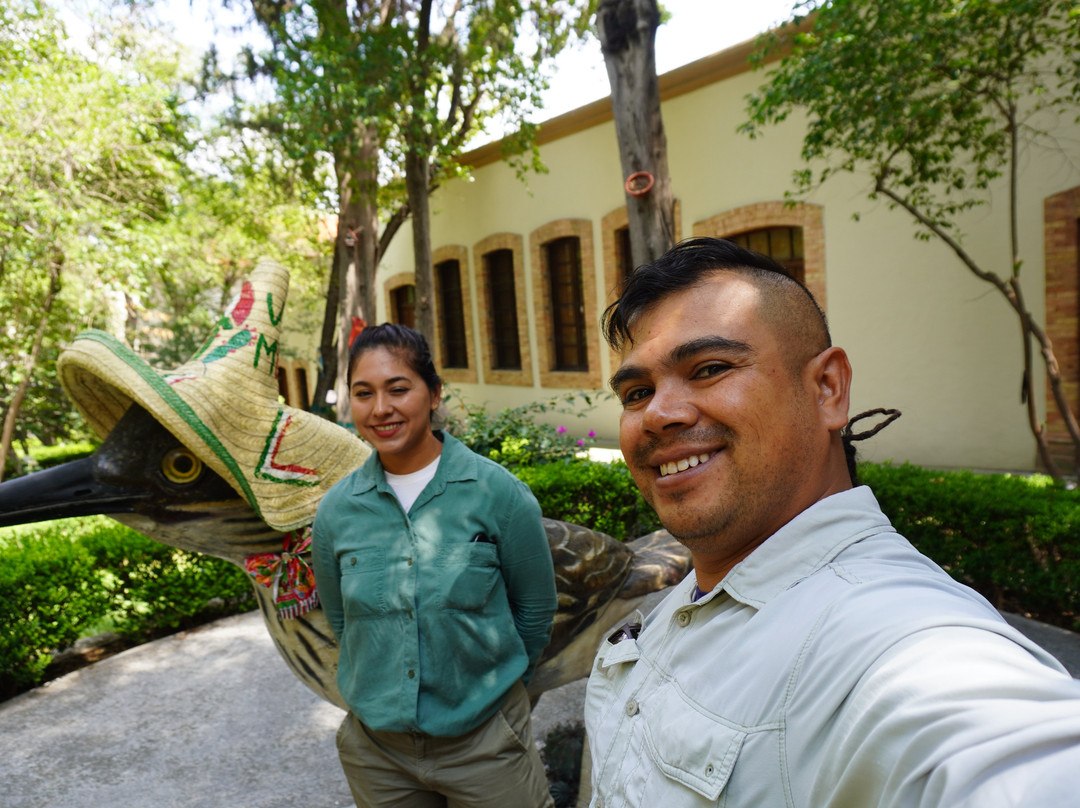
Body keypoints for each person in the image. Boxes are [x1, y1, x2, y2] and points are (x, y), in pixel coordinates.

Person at [583, 237, 1080, 807]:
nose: (658, 415)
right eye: (637, 391)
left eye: (710, 368)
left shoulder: (896, 633)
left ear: (827, 388)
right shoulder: (692, 599)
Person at [311, 323, 557, 808]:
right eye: (364, 393)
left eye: (398, 388)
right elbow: (343, 621)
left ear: (434, 392)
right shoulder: (336, 512)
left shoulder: (497, 494)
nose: (381, 408)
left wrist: (499, 699)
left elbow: (535, 608)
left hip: (486, 744)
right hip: (379, 755)